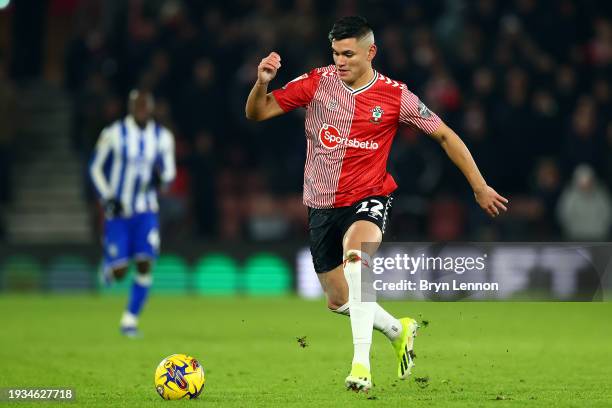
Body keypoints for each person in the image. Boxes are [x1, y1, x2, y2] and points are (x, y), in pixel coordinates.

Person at [245, 16, 508, 391]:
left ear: (371, 52)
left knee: (357, 257)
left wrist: (479, 187)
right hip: (321, 204)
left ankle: (360, 366)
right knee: (338, 301)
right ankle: (397, 329)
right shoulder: (316, 83)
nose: (340, 60)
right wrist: (261, 83)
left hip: (369, 197)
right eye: (335, 53)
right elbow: (257, 112)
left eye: (348, 53)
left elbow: (446, 136)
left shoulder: (396, 95)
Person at [90, 89, 176, 337]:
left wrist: (162, 179)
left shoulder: (162, 137)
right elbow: (95, 168)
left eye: (144, 105)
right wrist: (107, 198)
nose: (141, 109)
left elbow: (170, 173)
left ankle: (130, 320)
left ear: (150, 108)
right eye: (136, 105)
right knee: (119, 273)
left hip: (146, 210)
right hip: (118, 211)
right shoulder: (114, 134)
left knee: (144, 263)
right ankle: (109, 264)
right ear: (130, 107)